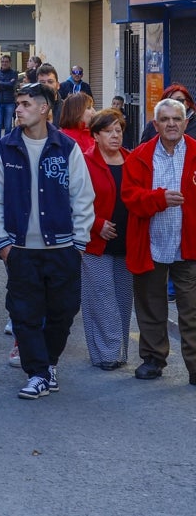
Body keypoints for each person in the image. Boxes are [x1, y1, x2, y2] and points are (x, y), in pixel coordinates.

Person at [0, 83, 94, 399]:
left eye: (25, 104)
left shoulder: (66, 147)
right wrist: (3, 243)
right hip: (20, 249)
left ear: (44, 108)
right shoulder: (4, 148)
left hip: (62, 249)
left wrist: (79, 244)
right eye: (17, 104)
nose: (17, 109)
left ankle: (48, 364)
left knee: (63, 310)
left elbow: (83, 197)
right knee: (24, 313)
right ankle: (37, 372)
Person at [122, 97, 196, 384]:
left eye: (176, 119)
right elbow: (130, 197)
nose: (171, 124)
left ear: (185, 122)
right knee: (151, 306)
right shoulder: (140, 155)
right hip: (150, 243)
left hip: (188, 245)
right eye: (165, 119)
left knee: (191, 309)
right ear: (155, 124)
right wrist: (159, 199)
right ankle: (153, 359)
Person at [82, 109, 134, 370]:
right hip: (96, 243)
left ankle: (119, 351)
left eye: (119, 130)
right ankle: (107, 354)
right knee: (101, 297)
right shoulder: (84, 161)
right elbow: (74, 202)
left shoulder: (131, 160)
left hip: (127, 242)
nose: (115, 135)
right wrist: (96, 224)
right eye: (109, 131)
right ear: (95, 135)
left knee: (123, 300)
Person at [0, 54, 19, 138]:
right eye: (2, 62)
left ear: (10, 63)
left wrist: (0, 83)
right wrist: (6, 83)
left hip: (9, 102)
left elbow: (12, 85)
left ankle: (7, 142)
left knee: (8, 126)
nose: (4, 63)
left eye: (6, 62)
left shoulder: (14, 73)